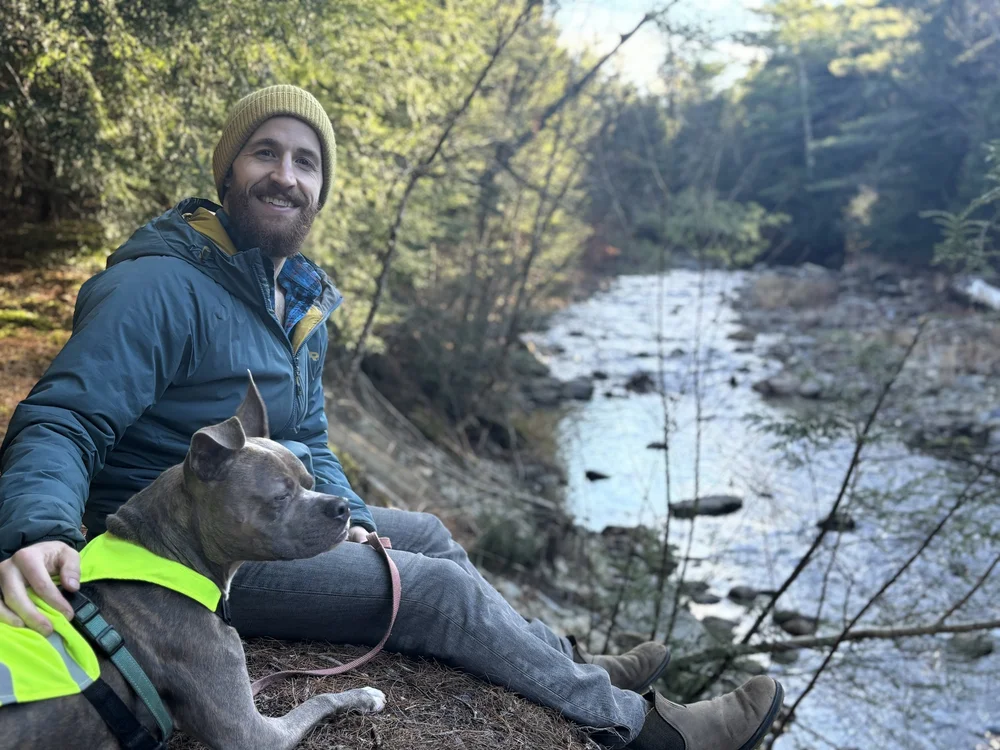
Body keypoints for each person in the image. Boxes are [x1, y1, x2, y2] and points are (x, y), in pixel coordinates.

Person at [0, 85, 782, 749]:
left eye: (306, 162)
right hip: (176, 554)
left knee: (429, 535)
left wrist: (359, 521)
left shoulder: (294, 303)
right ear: (228, 170)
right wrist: (37, 527)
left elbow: (307, 441)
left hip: (260, 514)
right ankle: (649, 732)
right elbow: (63, 417)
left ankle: (564, 667)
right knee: (435, 591)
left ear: (321, 190)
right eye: (265, 153)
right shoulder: (159, 287)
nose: (285, 175)